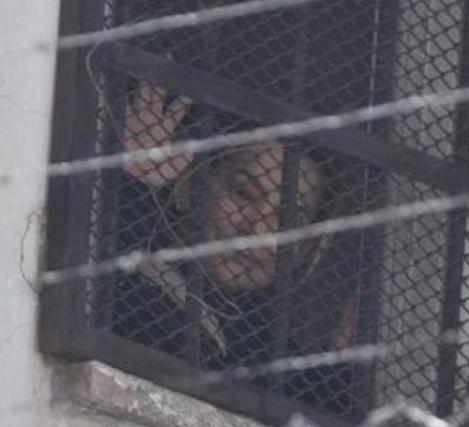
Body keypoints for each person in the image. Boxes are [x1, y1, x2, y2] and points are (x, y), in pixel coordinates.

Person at [112, 81, 360, 414]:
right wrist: (134, 185)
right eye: (243, 193)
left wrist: (340, 366)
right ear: (190, 186)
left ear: (306, 248)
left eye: (288, 220)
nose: (257, 230)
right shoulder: (128, 273)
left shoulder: (265, 349)